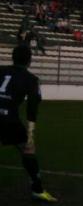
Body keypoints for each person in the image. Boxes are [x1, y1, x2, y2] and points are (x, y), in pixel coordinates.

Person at [0, 45, 57, 202]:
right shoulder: (31, 79)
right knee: (28, 150)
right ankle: (37, 190)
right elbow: (32, 108)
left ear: (12, 57)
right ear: (29, 61)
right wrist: (31, 135)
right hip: (8, 120)